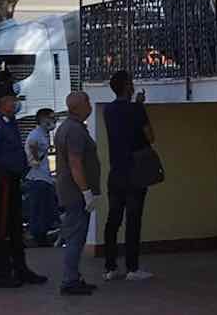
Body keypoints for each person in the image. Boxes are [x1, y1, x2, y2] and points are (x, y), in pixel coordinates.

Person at [0, 71, 48, 288]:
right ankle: (0, 274)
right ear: (2, 101)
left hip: (11, 179)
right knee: (1, 228)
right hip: (0, 180)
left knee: (14, 227)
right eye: (12, 99)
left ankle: (19, 269)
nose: (15, 103)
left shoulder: (8, 119)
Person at [102, 70, 156, 282]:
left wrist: (136, 105)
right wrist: (140, 106)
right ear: (127, 86)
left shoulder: (108, 110)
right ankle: (132, 268)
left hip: (116, 171)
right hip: (135, 172)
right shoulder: (136, 109)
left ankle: (110, 267)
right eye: (131, 83)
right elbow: (150, 136)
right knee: (133, 220)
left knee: (113, 220)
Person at [54, 92, 101, 295]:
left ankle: (74, 277)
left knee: (76, 235)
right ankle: (70, 280)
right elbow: (75, 163)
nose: (90, 105)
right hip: (75, 193)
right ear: (78, 106)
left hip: (71, 190)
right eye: (87, 101)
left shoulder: (70, 127)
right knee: (76, 236)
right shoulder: (73, 130)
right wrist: (86, 192)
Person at [24, 108, 59, 246]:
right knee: (39, 209)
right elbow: (32, 147)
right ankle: (38, 238)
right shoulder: (36, 135)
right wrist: (35, 160)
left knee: (45, 209)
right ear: (43, 120)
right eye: (51, 117)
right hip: (37, 178)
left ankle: (42, 235)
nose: (54, 120)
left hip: (43, 177)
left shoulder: (43, 134)